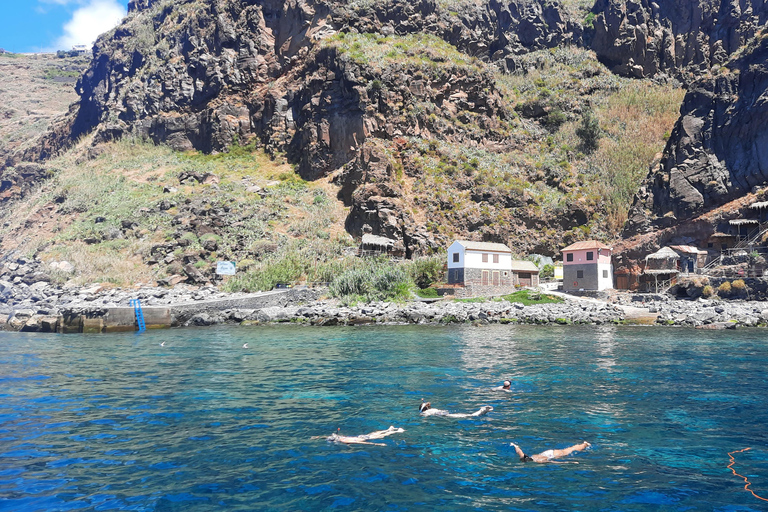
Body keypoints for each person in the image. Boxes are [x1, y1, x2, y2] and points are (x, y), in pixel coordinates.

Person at [510, 441, 591, 463]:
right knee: (569, 450)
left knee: (570, 450)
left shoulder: (539, 461)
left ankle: (585, 444)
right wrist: (514, 445)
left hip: (553, 454)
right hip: (547, 452)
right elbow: (519, 451)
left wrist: (569, 462)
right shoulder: (524, 458)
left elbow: (553, 462)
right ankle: (584, 445)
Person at [325, 426, 405, 445]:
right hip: (362, 436)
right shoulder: (341, 437)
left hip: (364, 438)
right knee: (376, 433)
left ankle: (397, 431)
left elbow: (361, 443)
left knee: (380, 436)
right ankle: (389, 429)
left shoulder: (344, 440)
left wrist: (377, 444)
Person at [419, 401, 493, 418]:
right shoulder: (432, 409)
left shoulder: (425, 412)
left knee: (468, 416)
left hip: (444, 415)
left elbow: (424, 416)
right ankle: (482, 411)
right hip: (444, 413)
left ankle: (481, 411)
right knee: (467, 415)